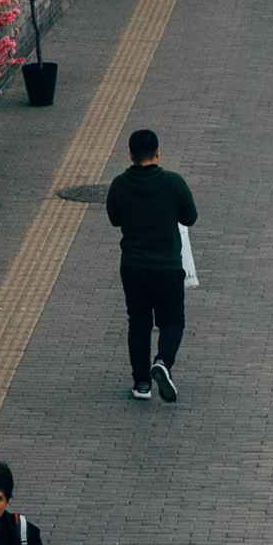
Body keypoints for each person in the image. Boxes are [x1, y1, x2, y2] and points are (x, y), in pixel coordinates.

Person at [106, 125, 197, 403]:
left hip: (133, 267)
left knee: (139, 323)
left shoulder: (120, 184)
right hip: (168, 266)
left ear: (131, 155)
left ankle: (142, 383)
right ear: (157, 153)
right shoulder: (174, 183)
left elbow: (114, 219)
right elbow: (190, 217)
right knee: (172, 321)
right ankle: (163, 362)